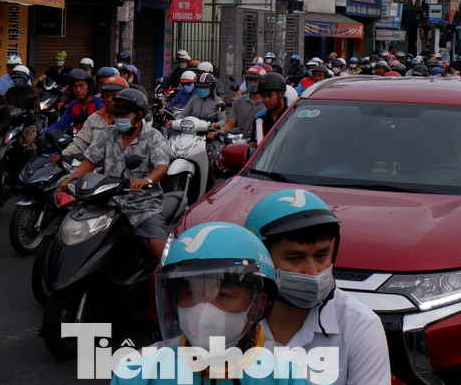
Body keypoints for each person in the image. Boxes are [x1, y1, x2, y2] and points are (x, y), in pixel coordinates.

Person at [244, 190, 391, 385]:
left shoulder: (360, 326)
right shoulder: (232, 319)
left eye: (321, 256)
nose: (313, 272)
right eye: (295, 258)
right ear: (260, 260)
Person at [114, 222, 281, 385]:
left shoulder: (286, 373)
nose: (204, 313)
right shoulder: (137, 372)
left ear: (257, 304)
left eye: (223, 295)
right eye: (191, 294)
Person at [59, 87, 170, 259]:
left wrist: (146, 180)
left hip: (142, 204)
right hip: (108, 201)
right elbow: (90, 161)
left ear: (139, 115)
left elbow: (161, 167)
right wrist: (72, 179)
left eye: (123, 115)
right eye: (116, 115)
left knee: (159, 251)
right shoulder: (108, 134)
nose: (118, 119)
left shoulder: (153, 137)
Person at [56, 73, 129, 163]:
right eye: (107, 95)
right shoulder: (94, 118)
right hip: (95, 166)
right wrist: (63, 155)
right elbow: (80, 143)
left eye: (114, 96)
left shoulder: (133, 119)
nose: (110, 99)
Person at [253, 73, 292, 144]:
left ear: (281, 94)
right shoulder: (259, 120)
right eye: (263, 96)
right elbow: (253, 145)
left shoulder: (292, 118)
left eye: (270, 96)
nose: (266, 100)